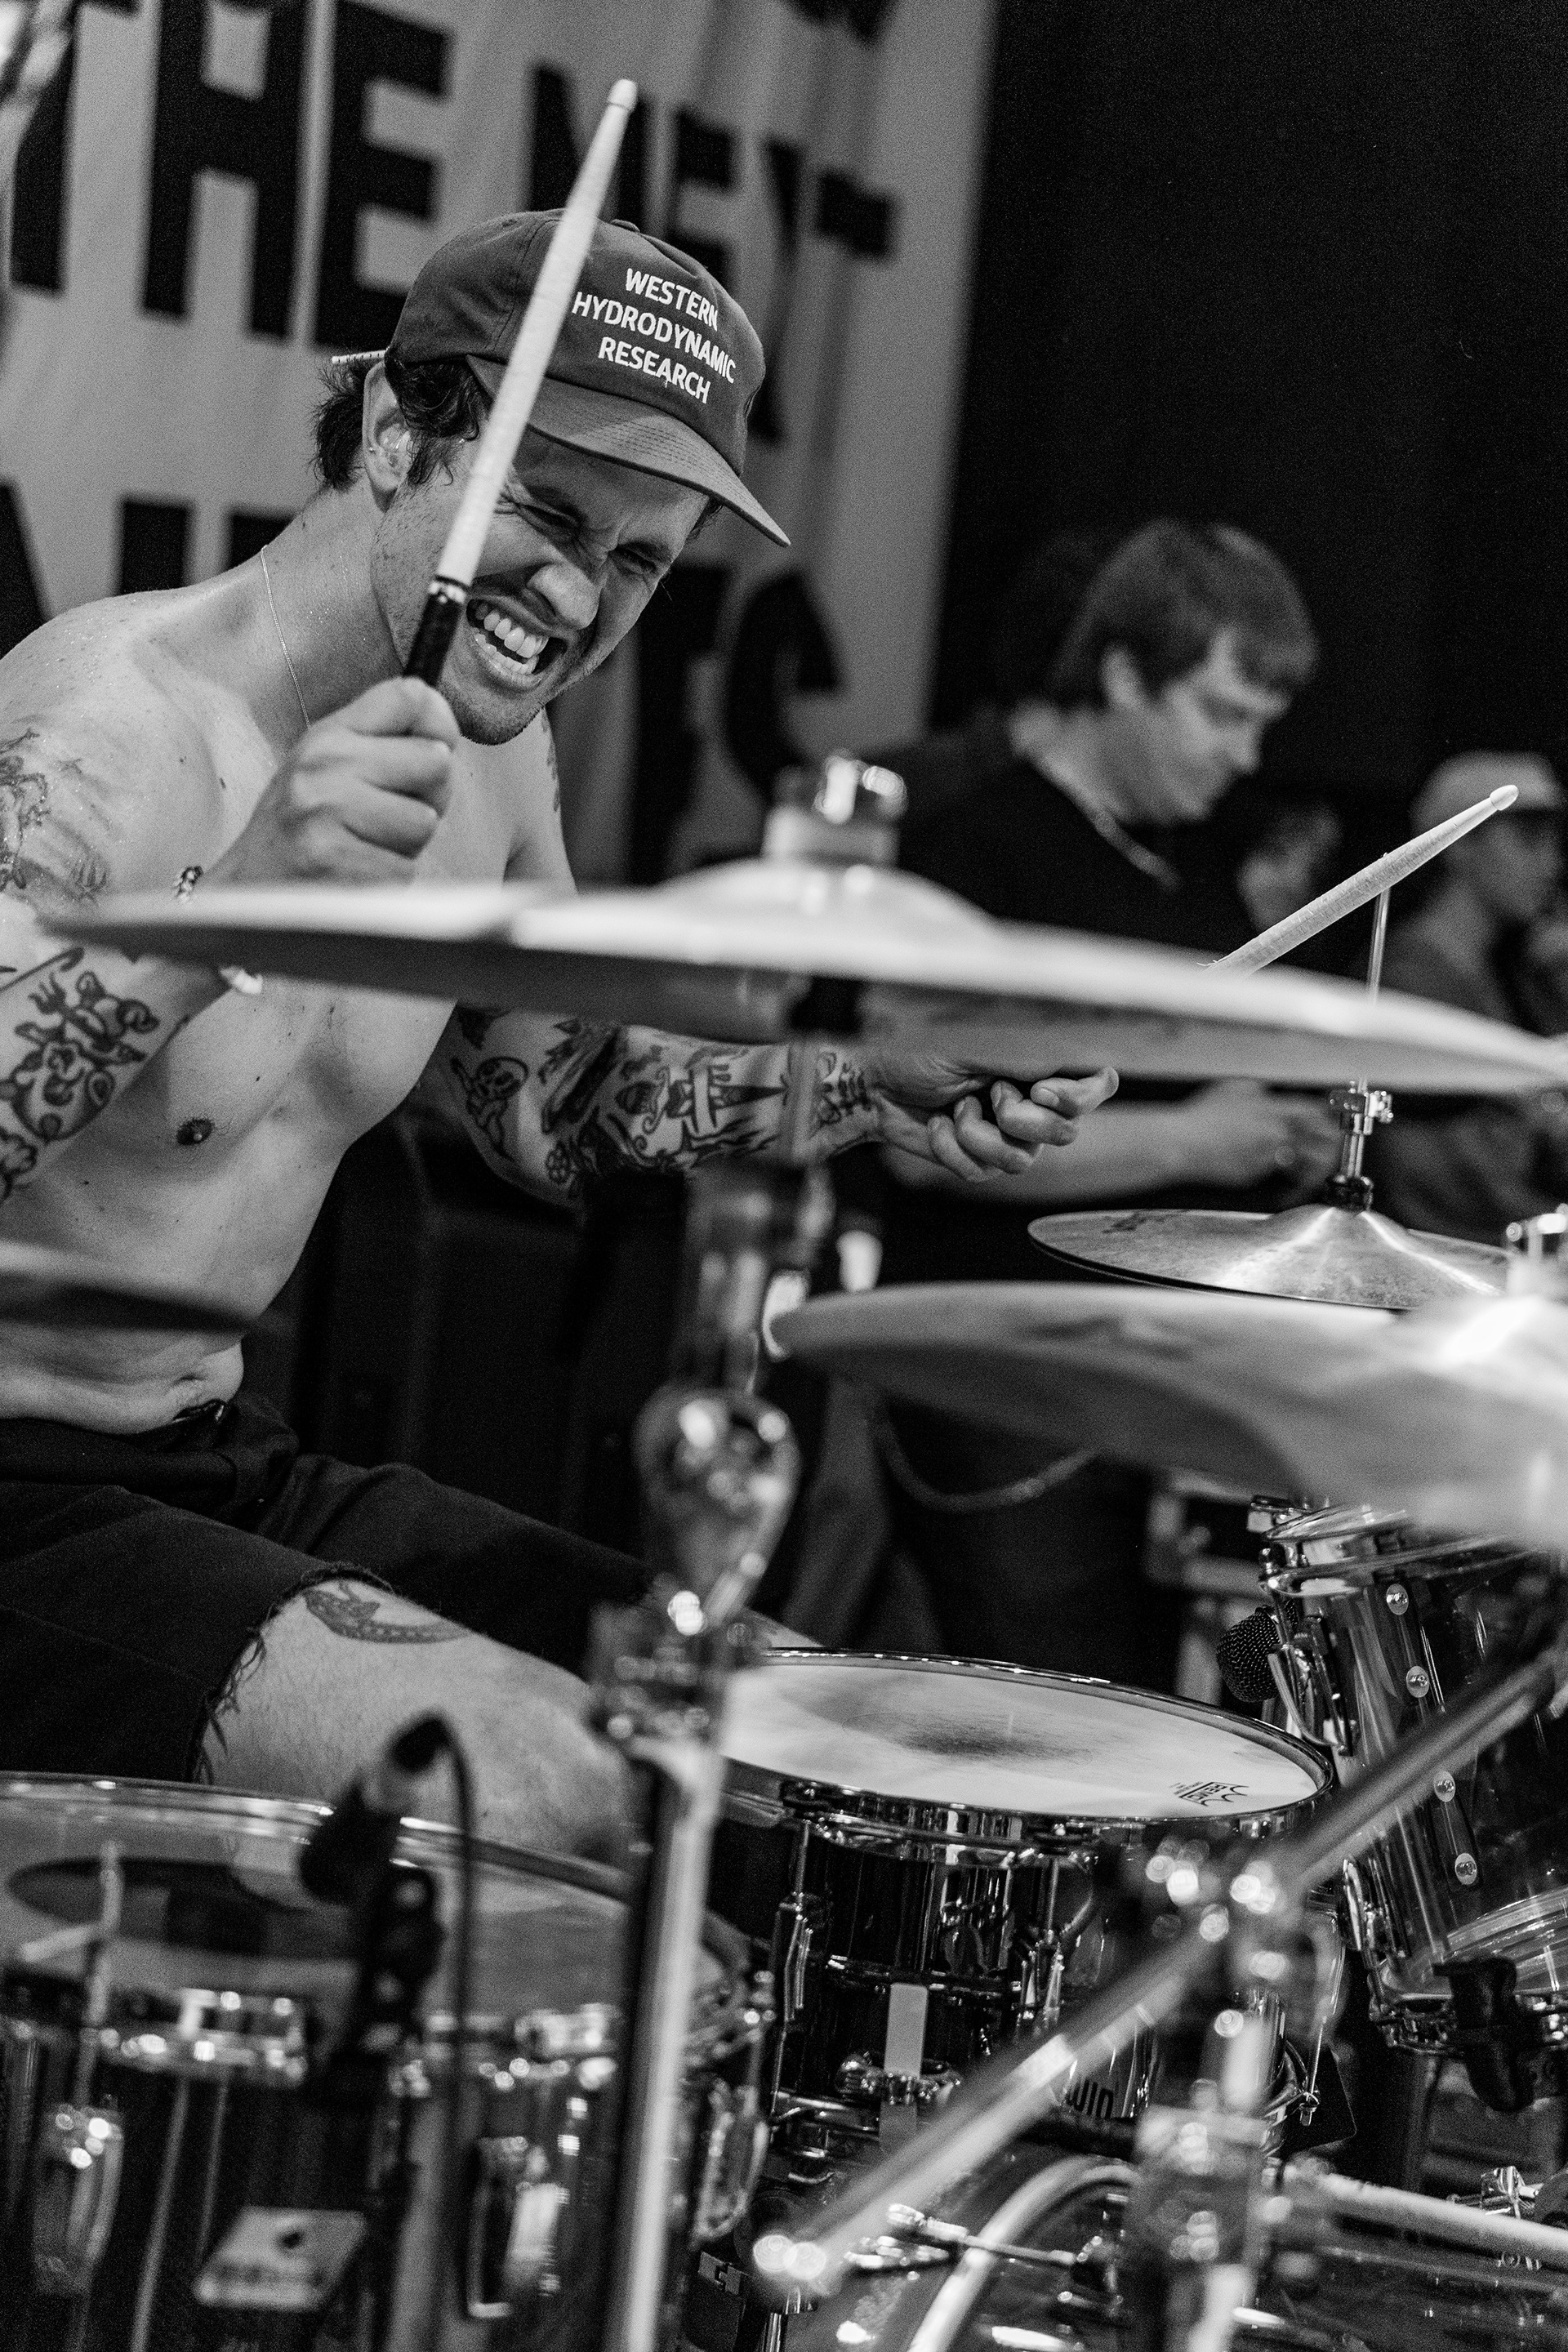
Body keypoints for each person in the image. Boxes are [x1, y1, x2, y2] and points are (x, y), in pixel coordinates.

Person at [0, 214, 1113, 1855]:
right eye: (547, 510)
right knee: (542, 1779)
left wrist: (866, 1081)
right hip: (15, 1498)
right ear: (397, 431)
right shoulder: (105, 732)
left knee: (788, 1723)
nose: (581, 595)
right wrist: (232, 913)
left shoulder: (487, 753)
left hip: (214, 1458)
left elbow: (549, 1101)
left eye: (641, 558)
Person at [870, 522, 1340, 1686]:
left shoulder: (1195, 869)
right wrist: (1196, 1138)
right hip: (1006, 1384)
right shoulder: (972, 854)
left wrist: (1281, 1136)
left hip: (1161, 1388)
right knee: (1052, 1721)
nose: (1245, 757)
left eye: (1264, 725)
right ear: (1125, 675)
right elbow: (917, 1146)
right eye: (1223, 713)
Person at [1369, 751, 1568, 1244]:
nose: (1552, 864)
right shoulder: (1412, 974)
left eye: (1554, 842)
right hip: (1443, 1250)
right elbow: (1434, 1176)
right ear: (1458, 846)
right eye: (1529, 840)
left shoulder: (1513, 970)